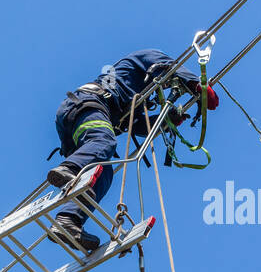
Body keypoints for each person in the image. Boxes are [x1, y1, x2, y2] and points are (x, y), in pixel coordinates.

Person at [45, 49, 219, 253]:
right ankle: (70, 168)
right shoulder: (142, 60)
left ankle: (68, 220)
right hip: (87, 105)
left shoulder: (135, 98)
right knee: (105, 140)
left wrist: (165, 121)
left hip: (78, 124)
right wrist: (196, 84)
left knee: (102, 173)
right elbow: (166, 65)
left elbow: (134, 125)